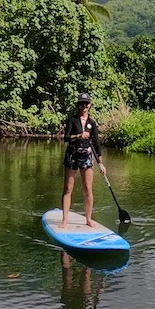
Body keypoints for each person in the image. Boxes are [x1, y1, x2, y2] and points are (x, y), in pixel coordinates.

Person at [58, 92, 105, 228]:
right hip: (72, 156)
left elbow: (97, 144)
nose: (83, 106)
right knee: (68, 188)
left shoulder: (92, 123)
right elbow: (66, 138)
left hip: (86, 157)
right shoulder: (72, 120)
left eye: (86, 103)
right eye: (81, 103)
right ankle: (65, 219)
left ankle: (88, 219)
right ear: (78, 105)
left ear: (89, 106)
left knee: (88, 189)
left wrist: (101, 163)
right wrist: (79, 135)